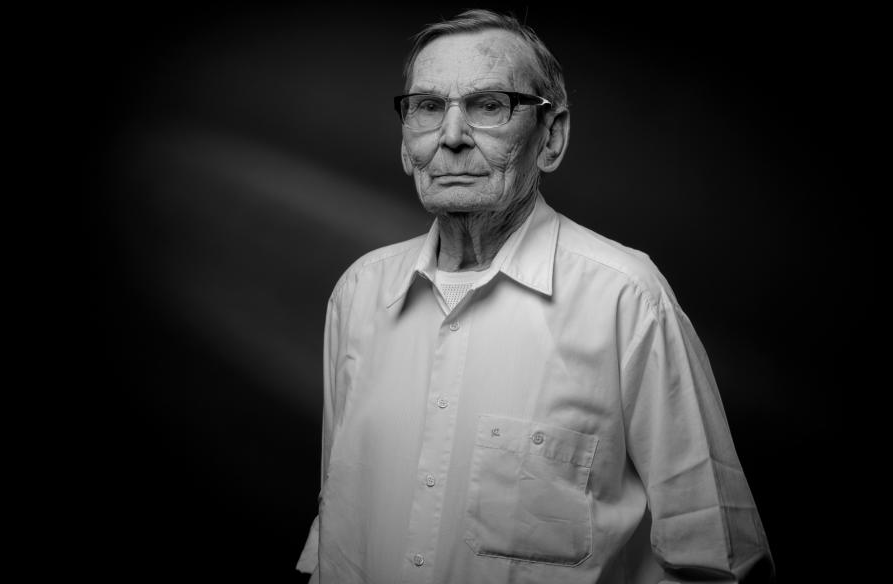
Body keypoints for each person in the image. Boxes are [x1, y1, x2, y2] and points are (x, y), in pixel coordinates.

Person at [296, 9, 773, 583]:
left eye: (489, 105)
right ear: (405, 142)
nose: (451, 136)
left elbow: (717, 562)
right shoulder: (359, 293)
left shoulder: (626, 298)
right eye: (428, 107)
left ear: (551, 137)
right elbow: (337, 531)